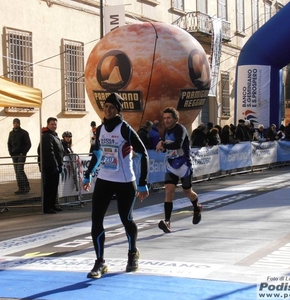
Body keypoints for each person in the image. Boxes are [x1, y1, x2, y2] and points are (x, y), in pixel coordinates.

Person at [82, 92, 149, 279]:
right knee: (96, 219)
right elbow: (96, 155)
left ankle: (132, 253)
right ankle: (100, 262)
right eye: (106, 107)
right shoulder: (100, 130)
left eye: (112, 107)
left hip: (125, 181)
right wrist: (88, 176)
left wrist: (143, 183)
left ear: (118, 110)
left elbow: (144, 154)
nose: (108, 110)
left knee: (126, 219)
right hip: (104, 179)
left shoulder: (124, 129)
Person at [155, 107, 203, 234]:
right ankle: (167, 221)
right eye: (164, 118)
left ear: (175, 119)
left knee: (188, 192)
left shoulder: (180, 129)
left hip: (184, 165)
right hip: (171, 166)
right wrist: (163, 148)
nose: (166, 120)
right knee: (169, 193)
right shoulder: (165, 131)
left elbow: (178, 144)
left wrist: (163, 145)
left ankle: (196, 207)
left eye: (169, 118)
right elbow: (169, 147)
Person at [38, 117, 64, 214]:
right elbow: (50, 152)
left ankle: (52, 205)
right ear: (48, 125)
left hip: (56, 165)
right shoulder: (47, 136)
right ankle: (47, 207)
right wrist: (55, 165)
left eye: (55, 124)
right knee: (49, 187)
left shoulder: (54, 135)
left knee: (54, 186)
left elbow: (59, 150)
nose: (54, 126)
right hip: (49, 166)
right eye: (52, 124)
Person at [7, 118, 31, 195]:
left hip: (21, 154)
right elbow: (9, 143)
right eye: (14, 123)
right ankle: (20, 188)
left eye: (17, 123)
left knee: (20, 170)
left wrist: (23, 152)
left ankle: (26, 186)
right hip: (14, 155)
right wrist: (10, 152)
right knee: (17, 172)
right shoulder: (11, 133)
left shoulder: (24, 133)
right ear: (13, 124)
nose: (16, 124)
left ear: (19, 124)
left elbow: (28, 144)